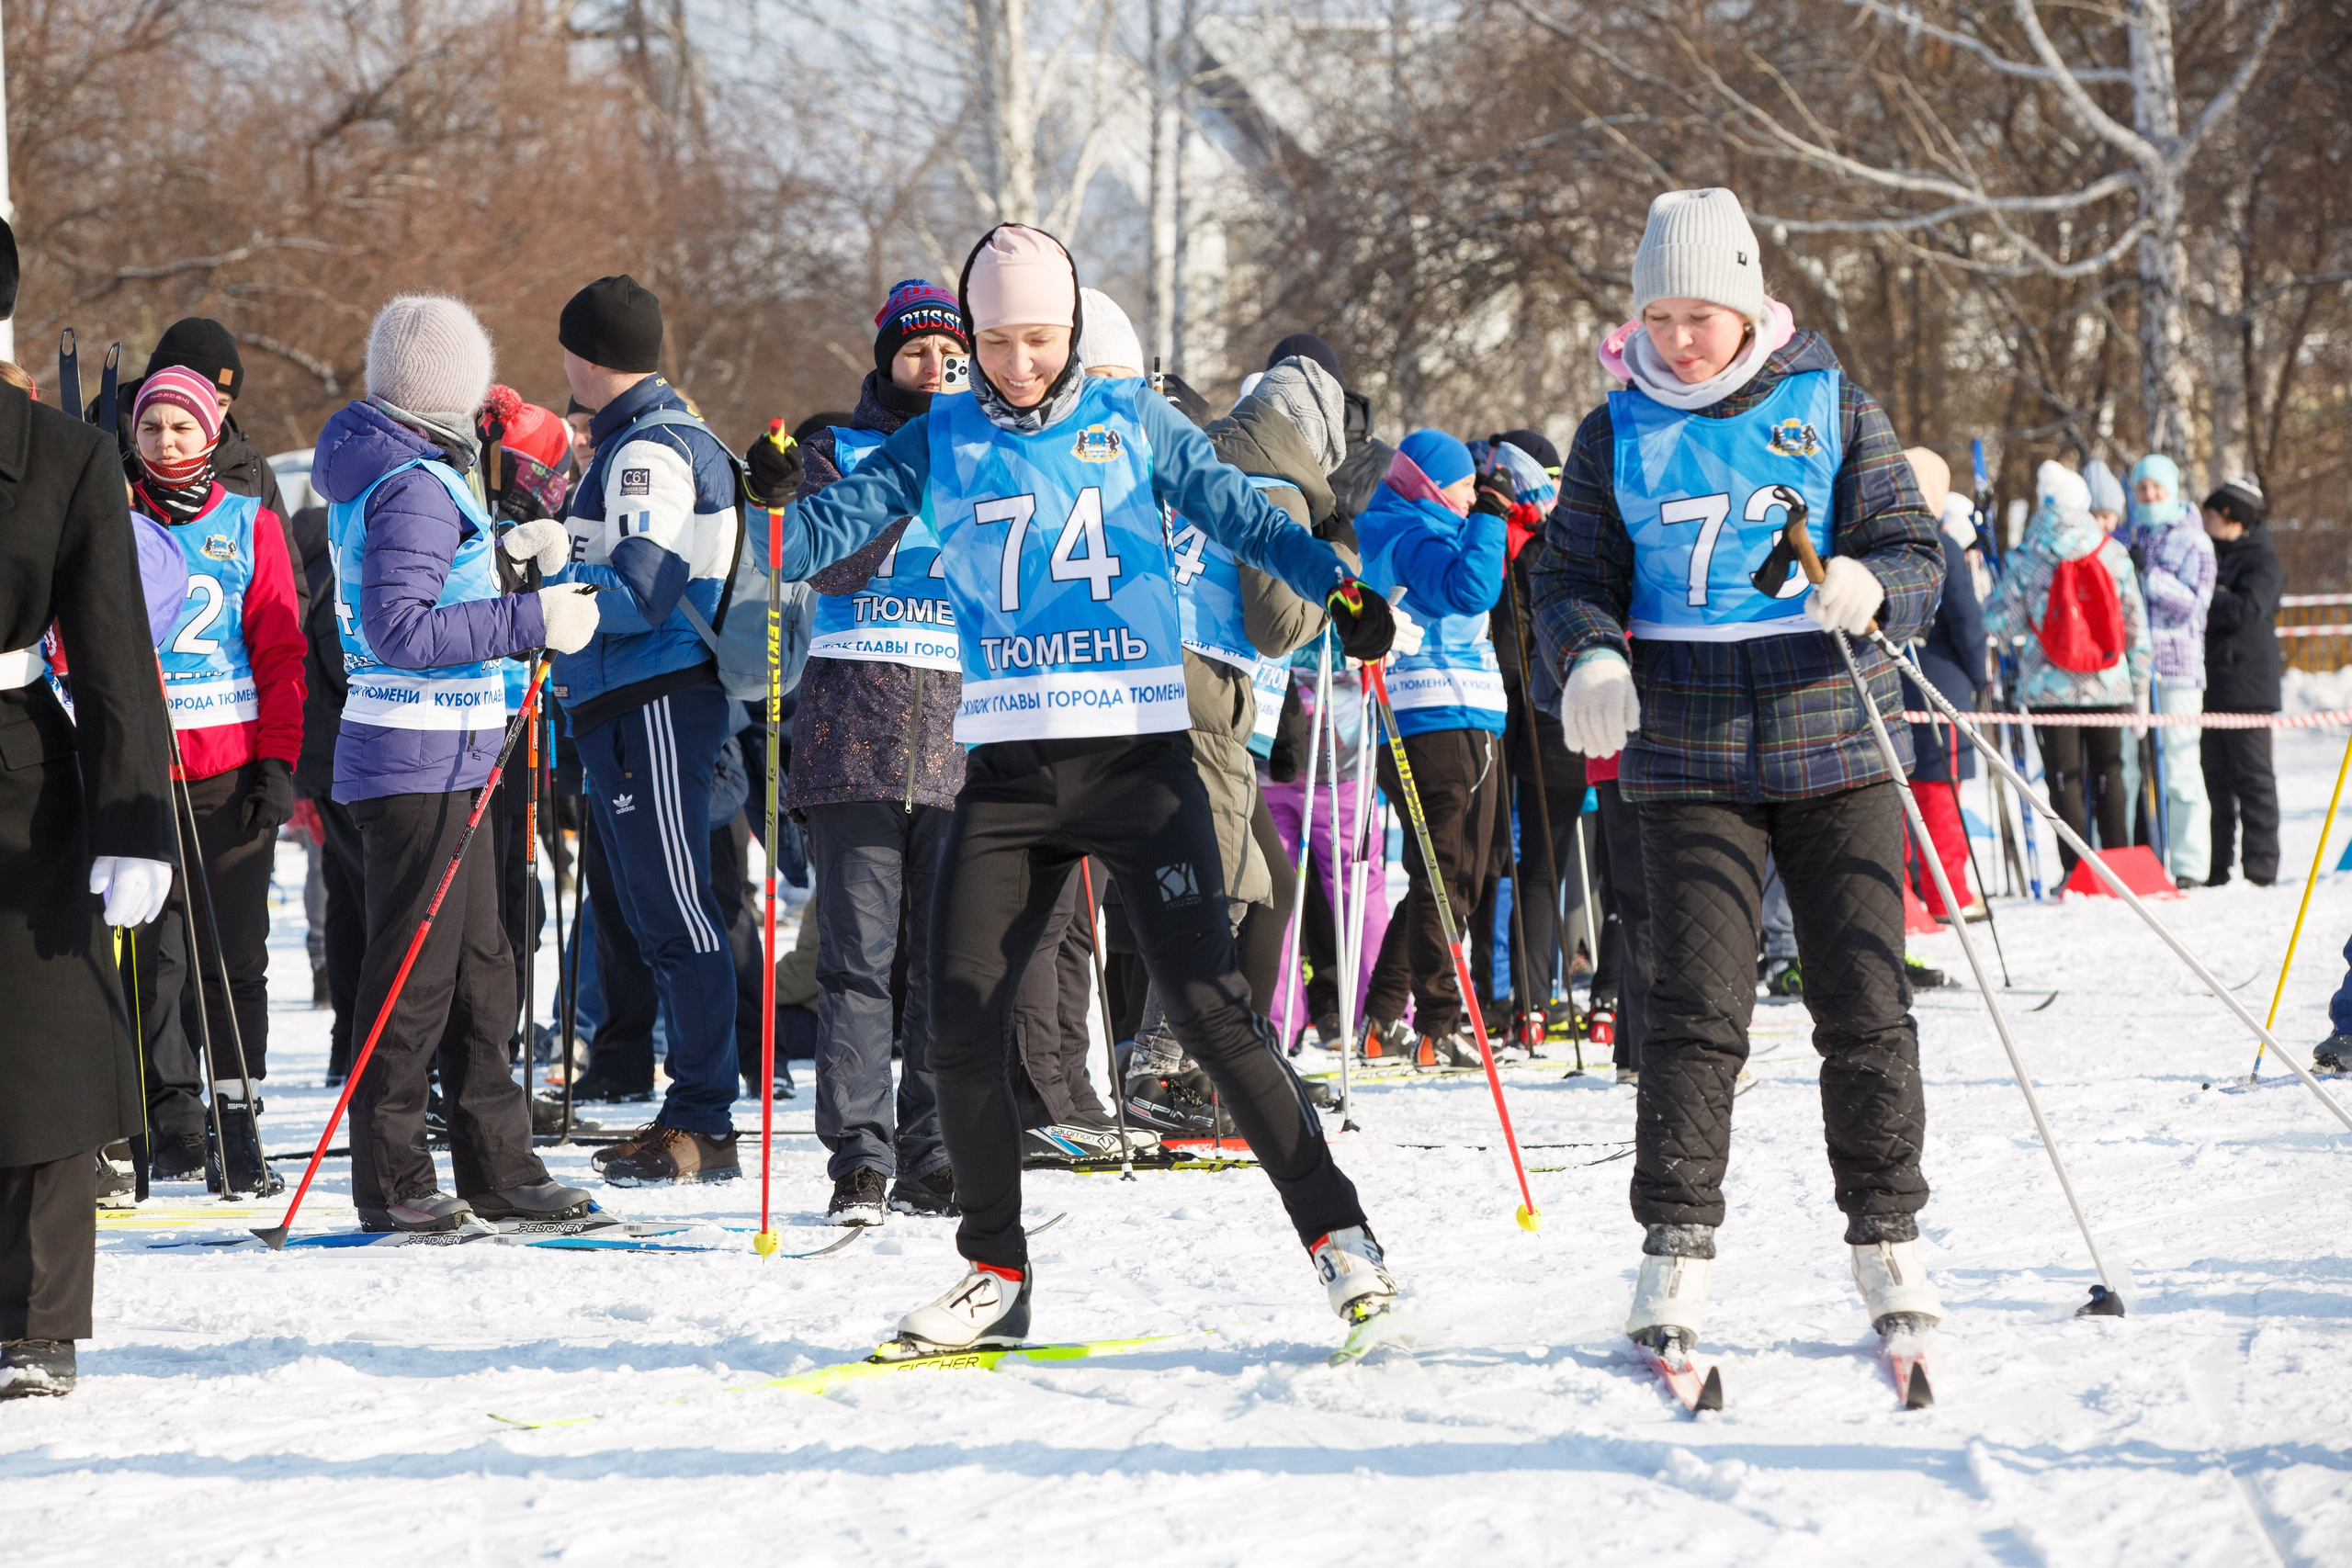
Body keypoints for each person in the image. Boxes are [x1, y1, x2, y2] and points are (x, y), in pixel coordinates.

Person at [772, 222, 1402, 1353]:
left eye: (1041, 339)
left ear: (1072, 334)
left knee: (1211, 1012)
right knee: (962, 1017)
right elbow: (822, 532)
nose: (1018, 363)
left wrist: (1334, 584)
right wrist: (759, 496)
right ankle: (992, 1270)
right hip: (1007, 769)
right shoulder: (942, 432)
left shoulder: (1131, 418)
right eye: (997, 341)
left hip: (1136, 760)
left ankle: (1339, 1234)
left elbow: (1241, 511)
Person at [1530, 187, 1950, 1359]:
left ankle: (1885, 1234)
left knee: (1861, 1001)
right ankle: (1673, 1248)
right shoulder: (1612, 431)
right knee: (1693, 1011)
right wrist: (1590, 654)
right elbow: (1564, 578)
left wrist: (1874, 584)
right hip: (1688, 751)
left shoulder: (1829, 403)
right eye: (1658, 317)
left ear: (1746, 300)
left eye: (1700, 315)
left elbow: (1916, 547)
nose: (1679, 339)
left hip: (1835, 733)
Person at [314, 294, 594, 1233]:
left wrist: (512, 556)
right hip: (417, 756)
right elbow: (400, 628)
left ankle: (500, 1167)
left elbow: (437, 586)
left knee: (483, 967)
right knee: (416, 976)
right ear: (448, 388)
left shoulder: (415, 470)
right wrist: (531, 619)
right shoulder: (415, 483)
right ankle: (392, 1182)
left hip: (451, 750)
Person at [0, 216, 181, 1398]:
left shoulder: (64, 456)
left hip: (18, 771)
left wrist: (133, 821)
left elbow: (114, 654)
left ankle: (34, 1321)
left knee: (44, 1045)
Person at [749, 278, 971, 1224]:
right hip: (854, 737)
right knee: (855, 963)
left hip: (962, 741)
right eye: (917, 354)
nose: (934, 371)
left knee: (943, 961)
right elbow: (828, 562)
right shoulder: (839, 450)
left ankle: (931, 1151)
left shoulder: (993, 457)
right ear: (885, 359)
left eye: (952, 359)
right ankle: (858, 1160)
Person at [527, 276, 749, 1186]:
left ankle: (703, 1118)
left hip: (656, 696)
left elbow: (644, 590)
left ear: (584, 356)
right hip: (630, 699)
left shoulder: (645, 454)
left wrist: (546, 598)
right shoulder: (632, 443)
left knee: (675, 912)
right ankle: (690, 1111)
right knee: (658, 914)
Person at [1121, 324, 1356, 1134]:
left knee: (1239, 876)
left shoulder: (1204, 458)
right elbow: (1275, 622)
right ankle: (1161, 1069)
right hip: (1202, 701)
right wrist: (1337, 576)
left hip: (1149, 680)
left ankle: (1211, 1058)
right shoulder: (1277, 487)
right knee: (1217, 881)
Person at [119, 368, 306, 1192]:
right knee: (155, 958)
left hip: (229, 774)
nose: (166, 442)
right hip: (145, 771)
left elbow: (278, 648)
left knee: (234, 959)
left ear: (211, 433)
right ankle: (174, 1117)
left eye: (181, 428)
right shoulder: (112, 518)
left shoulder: (252, 521)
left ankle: (239, 1115)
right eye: (152, 428)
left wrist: (277, 757)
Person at [1357, 428, 1508, 1068]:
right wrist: (1491, 524)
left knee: (1451, 875)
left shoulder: (1427, 523)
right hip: (1433, 718)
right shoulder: (1408, 531)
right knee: (1444, 875)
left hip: (1464, 715)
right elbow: (1468, 590)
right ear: (1431, 483)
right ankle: (1439, 1021)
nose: (1474, 498)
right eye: (1466, 486)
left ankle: (1384, 1017)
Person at [1986, 463, 2152, 877]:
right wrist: (2139, 685)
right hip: (2108, 683)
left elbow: (2003, 625)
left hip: (2048, 687)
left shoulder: (2027, 556)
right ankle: (2118, 866)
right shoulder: (2112, 552)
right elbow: (2135, 625)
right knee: (2109, 772)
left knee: (2063, 778)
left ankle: (2077, 872)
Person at [104, 318, 305, 623]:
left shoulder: (246, 467)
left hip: (226, 662)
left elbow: (286, 586)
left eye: (223, 403)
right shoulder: (105, 450)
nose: (212, 411)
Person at [1897, 448, 1987, 920]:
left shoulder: (1881, 541)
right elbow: (1968, 623)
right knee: (1940, 794)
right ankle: (1947, 893)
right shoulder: (1940, 542)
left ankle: (1913, 891)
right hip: (1941, 689)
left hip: (1892, 690)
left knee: (1906, 792)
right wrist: (1980, 675)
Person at [2120, 455, 2216, 884]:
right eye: (2142, 488)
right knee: (2132, 767)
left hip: (2177, 671)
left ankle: (2190, 864)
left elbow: (2195, 605)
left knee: (2179, 767)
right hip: (2134, 669)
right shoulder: (2131, 536)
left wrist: (2151, 575)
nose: (2150, 496)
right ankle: (2140, 856)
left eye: (2157, 487)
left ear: (2172, 489)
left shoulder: (2195, 541)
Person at [2199, 477, 2281, 887]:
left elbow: (2248, 610)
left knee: (2253, 778)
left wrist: (2204, 595)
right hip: (2210, 684)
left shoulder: (2261, 559)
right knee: (2213, 779)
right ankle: (2216, 866)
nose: (2204, 522)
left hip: (2249, 687)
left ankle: (2261, 867)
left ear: (2232, 518)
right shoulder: (2209, 554)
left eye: (2211, 515)